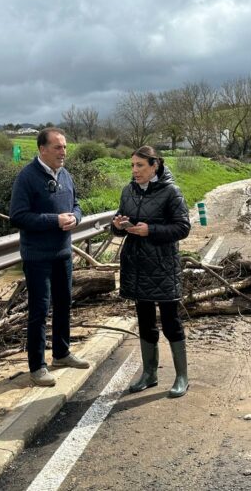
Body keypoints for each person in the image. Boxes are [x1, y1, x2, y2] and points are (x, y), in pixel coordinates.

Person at [9, 127, 89, 386]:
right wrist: (54, 220)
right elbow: (18, 217)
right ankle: (37, 367)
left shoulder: (65, 175)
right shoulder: (27, 177)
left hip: (63, 252)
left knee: (65, 303)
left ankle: (62, 354)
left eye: (64, 147)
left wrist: (75, 218)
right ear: (42, 149)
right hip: (37, 256)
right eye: (57, 147)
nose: (63, 152)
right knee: (39, 310)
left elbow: (76, 205)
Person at [111, 146, 191, 397]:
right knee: (145, 322)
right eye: (132, 166)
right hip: (136, 266)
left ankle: (181, 377)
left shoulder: (171, 192)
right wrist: (117, 226)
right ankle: (149, 374)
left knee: (171, 322)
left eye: (140, 166)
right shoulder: (128, 191)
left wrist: (151, 231)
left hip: (162, 267)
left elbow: (182, 228)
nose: (134, 171)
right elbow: (118, 224)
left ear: (154, 165)